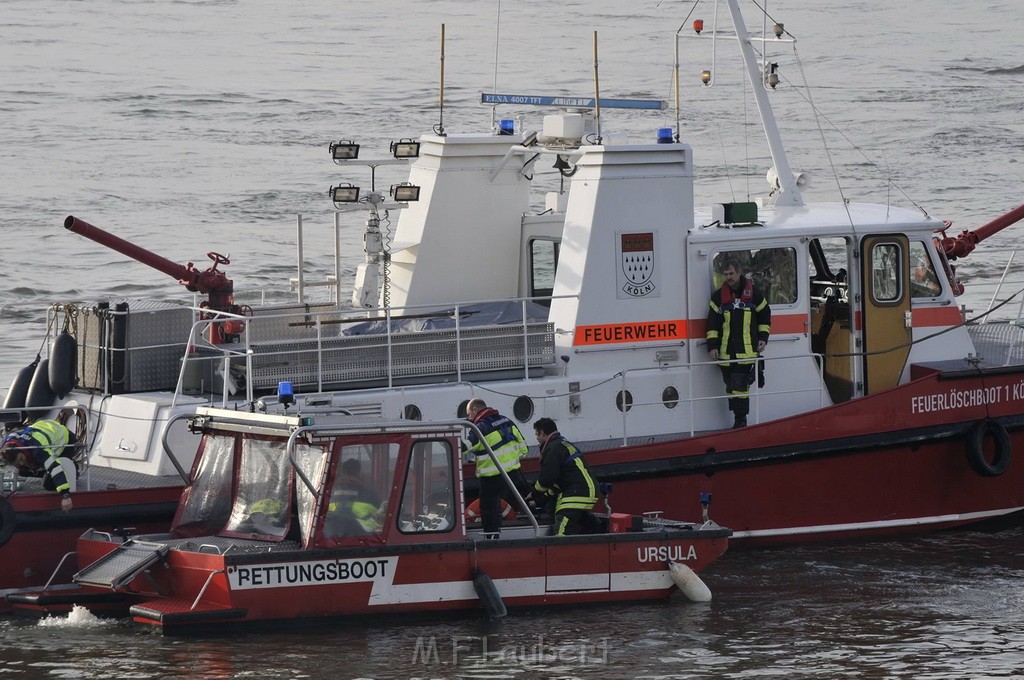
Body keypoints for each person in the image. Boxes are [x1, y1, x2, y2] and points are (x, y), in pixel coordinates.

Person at [707, 258, 771, 428]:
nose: (729, 277)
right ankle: (737, 419)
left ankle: (740, 422)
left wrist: (763, 337)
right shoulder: (717, 297)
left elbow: (765, 314)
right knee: (730, 386)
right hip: (726, 352)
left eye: (732, 274)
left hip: (747, 351)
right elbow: (712, 323)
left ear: (739, 272)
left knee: (740, 386)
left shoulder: (754, 294)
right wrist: (712, 346)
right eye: (726, 274)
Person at [464, 398, 531, 539]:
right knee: (502, 506)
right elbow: (524, 448)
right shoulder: (506, 421)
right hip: (513, 473)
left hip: (492, 475)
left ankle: (491, 538)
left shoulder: (480, 428)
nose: (469, 418)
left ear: (475, 410)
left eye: (469, 414)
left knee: (488, 508)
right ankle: (500, 532)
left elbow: (464, 447)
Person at [531, 417, 598, 536]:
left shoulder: (552, 449)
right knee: (581, 525)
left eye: (537, 434)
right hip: (583, 490)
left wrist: (533, 494)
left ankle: (559, 553)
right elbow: (557, 483)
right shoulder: (562, 443)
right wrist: (539, 500)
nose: (537, 438)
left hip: (577, 493)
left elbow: (547, 479)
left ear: (542, 433)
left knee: (562, 530)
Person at [1, 419, 78, 512]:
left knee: (48, 484)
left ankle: (73, 468)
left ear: (22, 450)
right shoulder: (4, 449)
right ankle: (45, 470)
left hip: (65, 439)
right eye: (17, 463)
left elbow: (55, 468)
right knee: (22, 470)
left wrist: (66, 496)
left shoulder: (38, 451)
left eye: (21, 459)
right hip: (43, 427)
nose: (21, 463)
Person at [327, 458, 382, 535]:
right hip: (365, 538)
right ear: (359, 473)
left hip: (331, 538)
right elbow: (381, 517)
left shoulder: (328, 494)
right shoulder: (369, 494)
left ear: (342, 473)